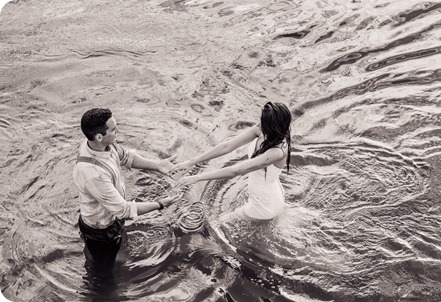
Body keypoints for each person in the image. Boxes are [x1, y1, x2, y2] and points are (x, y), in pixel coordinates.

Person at [73, 108, 180, 275]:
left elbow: (126, 157)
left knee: (120, 257)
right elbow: (124, 210)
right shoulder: (92, 173)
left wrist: (157, 165)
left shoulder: (103, 145)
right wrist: (160, 204)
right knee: (104, 273)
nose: (118, 132)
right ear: (99, 136)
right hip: (100, 230)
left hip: (111, 218)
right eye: (114, 129)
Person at [173, 101, 291, 220]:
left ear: (272, 126)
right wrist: (191, 162)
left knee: (218, 223)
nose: (259, 124)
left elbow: (236, 170)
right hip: (265, 194)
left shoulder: (276, 152)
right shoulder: (263, 129)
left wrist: (197, 178)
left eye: (263, 121)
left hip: (265, 205)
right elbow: (227, 146)